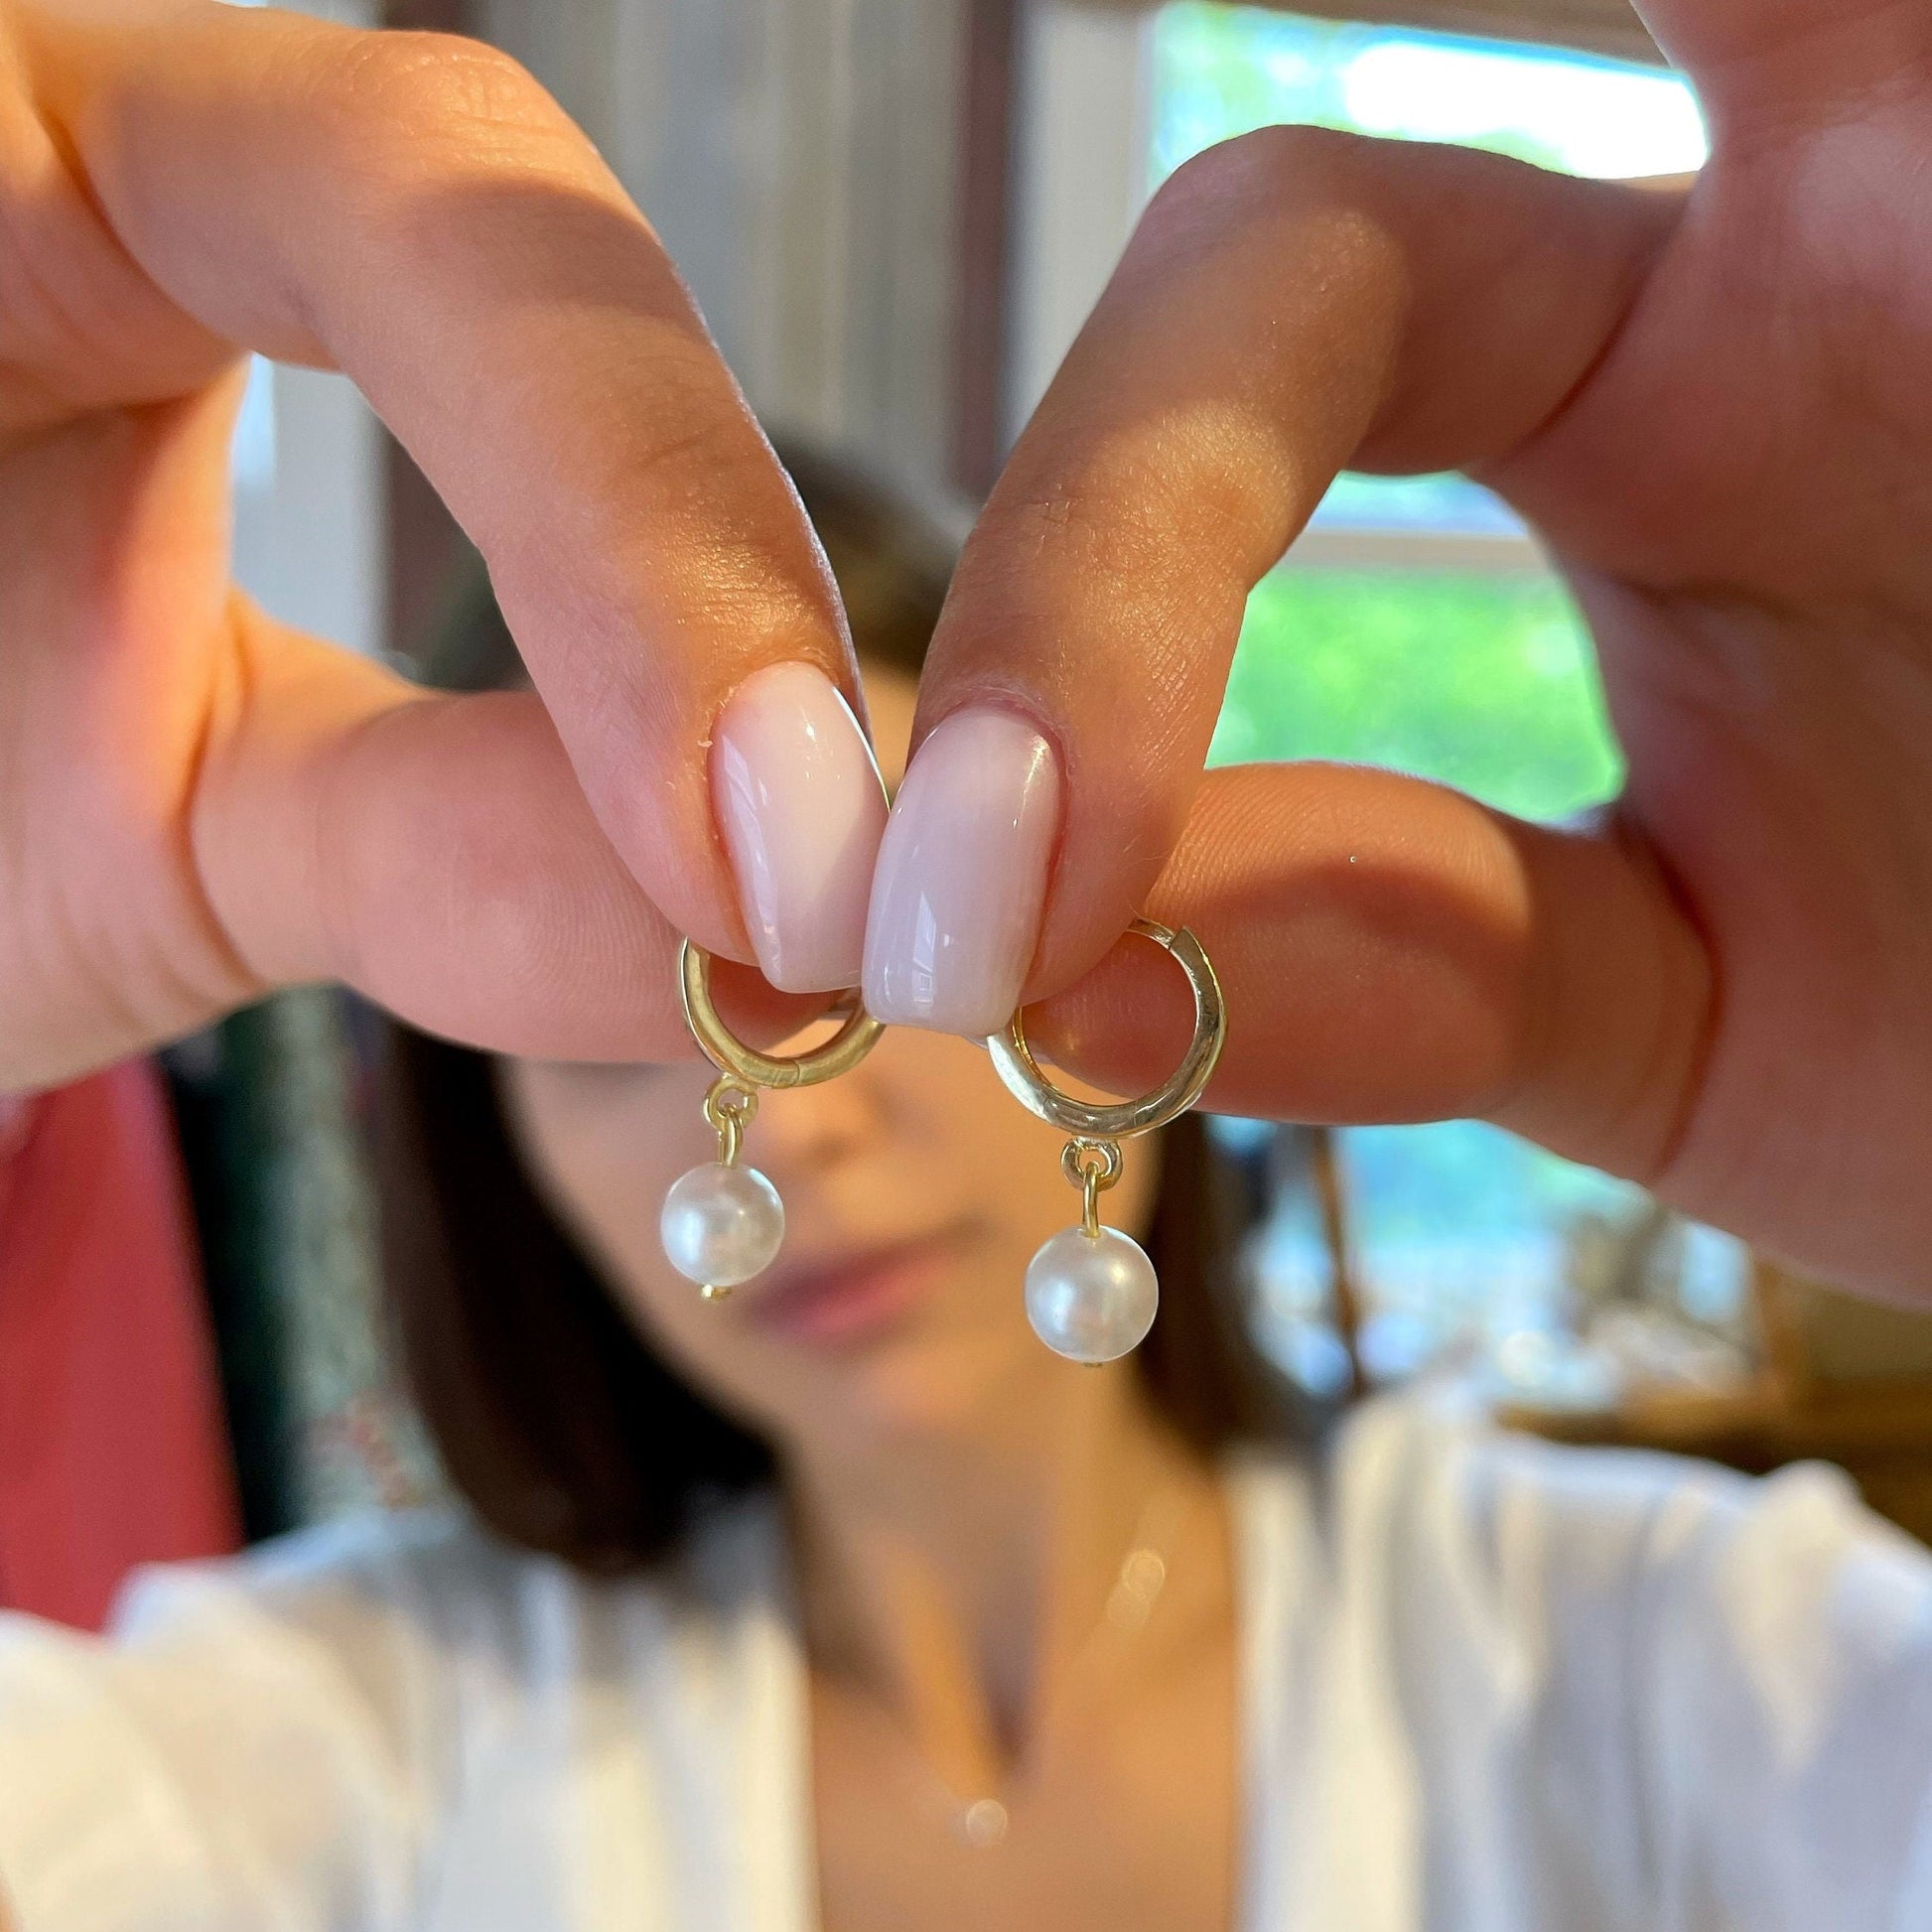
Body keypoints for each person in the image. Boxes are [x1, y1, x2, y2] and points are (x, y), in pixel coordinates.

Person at [4, 0, 1932, 1924]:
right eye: (615, 1038)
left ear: (1112, 932)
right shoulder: (346, 1740)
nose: (798, 1131)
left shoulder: (1667, 1662)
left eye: (901, 944)